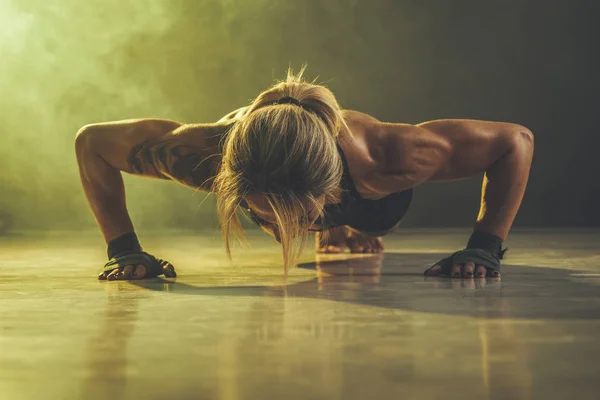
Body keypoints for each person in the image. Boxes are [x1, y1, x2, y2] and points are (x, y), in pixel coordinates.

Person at [75, 68, 534, 281]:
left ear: (331, 189)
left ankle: (345, 228)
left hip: (369, 204)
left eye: (298, 215)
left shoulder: (388, 157)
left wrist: (484, 248)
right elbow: (91, 142)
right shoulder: (200, 155)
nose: (284, 231)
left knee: (378, 224)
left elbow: (516, 141)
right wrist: (124, 250)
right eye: (267, 217)